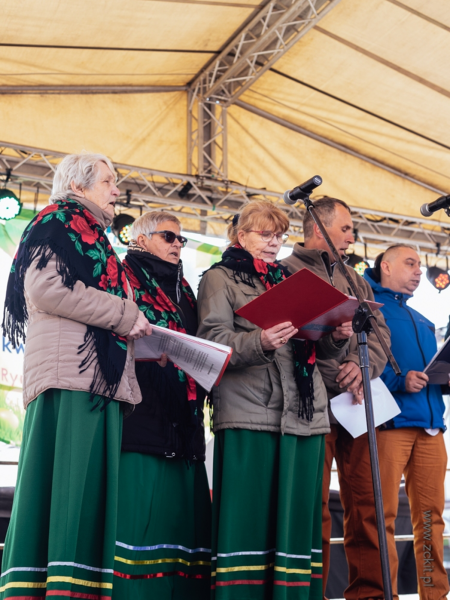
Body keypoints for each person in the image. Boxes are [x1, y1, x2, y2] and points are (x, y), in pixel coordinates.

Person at [0, 153, 151, 600]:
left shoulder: (91, 235)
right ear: (80, 187)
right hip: (71, 379)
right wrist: (126, 314)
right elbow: (46, 290)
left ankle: (80, 590)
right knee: (68, 495)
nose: (117, 189)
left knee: (86, 499)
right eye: (109, 181)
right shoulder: (57, 222)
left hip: (90, 379)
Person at [197, 200, 353, 599]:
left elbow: (316, 350)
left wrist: (335, 336)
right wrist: (260, 340)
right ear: (241, 235)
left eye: (279, 235)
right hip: (250, 412)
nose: (274, 242)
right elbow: (212, 341)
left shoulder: (288, 277)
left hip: (305, 414)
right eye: (265, 234)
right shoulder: (219, 277)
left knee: (299, 523)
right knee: (248, 525)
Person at [282, 197, 390, 600]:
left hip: (359, 404)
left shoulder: (355, 277)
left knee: (369, 503)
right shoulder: (285, 271)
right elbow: (291, 339)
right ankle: (315, 593)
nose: (352, 236)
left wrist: (364, 371)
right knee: (316, 511)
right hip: (314, 404)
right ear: (318, 227)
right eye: (345, 228)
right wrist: (338, 371)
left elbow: (380, 334)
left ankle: (373, 594)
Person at [112, 211, 211, 599]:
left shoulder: (186, 291)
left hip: (184, 426)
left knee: (182, 535)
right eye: (168, 236)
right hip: (140, 421)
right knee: (138, 531)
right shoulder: (121, 277)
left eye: (181, 239)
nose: (177, 244)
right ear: (139, 238)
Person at [364, 244, 449, 600]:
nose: (418, 271)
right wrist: (401, 382)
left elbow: (430, 373)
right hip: (391, 425)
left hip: (431, 426)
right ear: (386, 266)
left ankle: (434, 595)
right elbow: (357, 362)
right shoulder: (369, 310)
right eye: (410, 263)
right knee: (380, 516)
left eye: (420, 265)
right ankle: (385, 594)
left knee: (431, 520)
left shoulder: (421, 318)